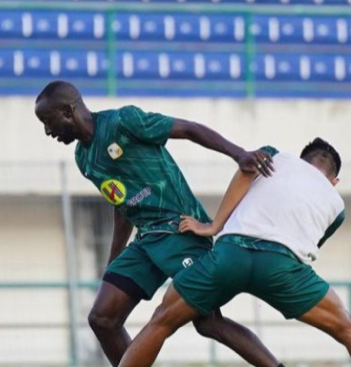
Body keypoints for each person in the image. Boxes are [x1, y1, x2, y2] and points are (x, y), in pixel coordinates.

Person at [34, 80, 283, 367]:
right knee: (102, 318)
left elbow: (189, 129)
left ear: (67, 110)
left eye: (47, 121)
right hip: (146, 240)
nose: (47, 131)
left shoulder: (123, 121)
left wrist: (238, 153)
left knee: (209, 322)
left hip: (181, 228)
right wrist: (114, 262)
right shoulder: (84, 158)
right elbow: (122, 204)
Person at [117, 138, 351, 367]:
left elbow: (245, 171)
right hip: (281, 267)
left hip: (230, 255)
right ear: (335, 181)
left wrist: (214, 225)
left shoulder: (277, 157)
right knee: (349, 329)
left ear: (299, 160)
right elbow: (308, 246)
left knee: (162, 321)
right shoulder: (337, 207)